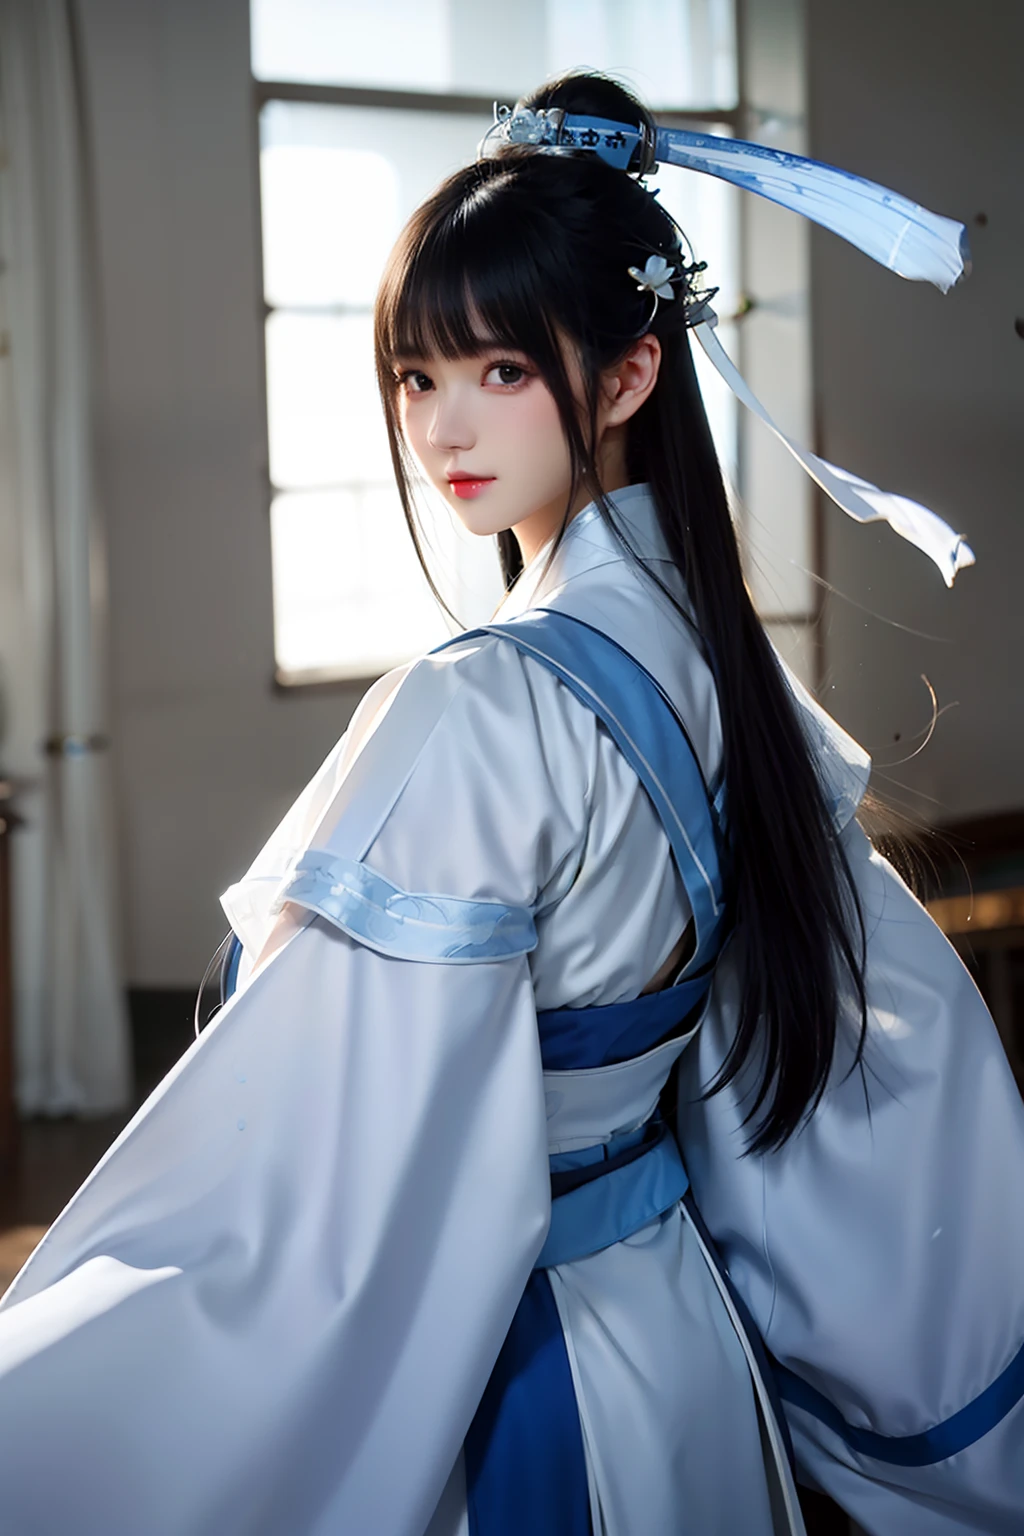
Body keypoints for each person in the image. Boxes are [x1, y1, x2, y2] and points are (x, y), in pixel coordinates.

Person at [0, 71, 1020, 1536]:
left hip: (517, 1375)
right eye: (417, 375)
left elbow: (321, 1175)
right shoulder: (719, 656)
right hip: (678, 1341)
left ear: (627, 375)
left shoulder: (482, 704)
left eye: (500, 372)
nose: (444, 428)